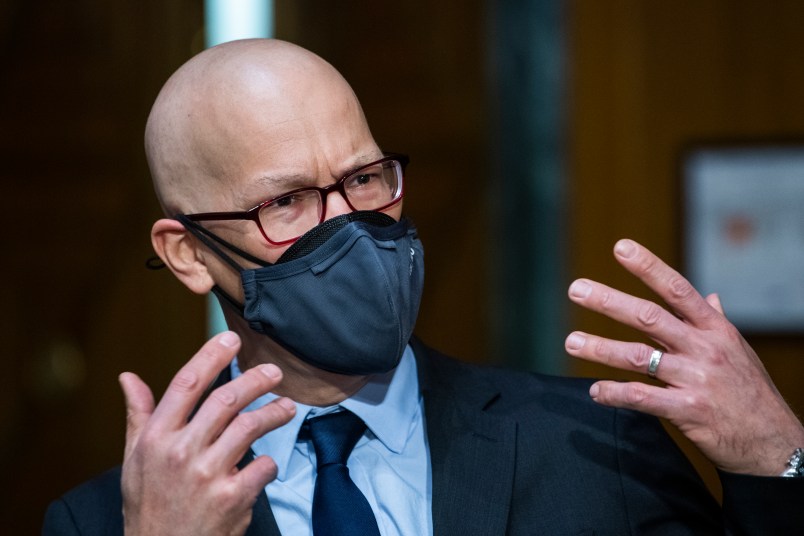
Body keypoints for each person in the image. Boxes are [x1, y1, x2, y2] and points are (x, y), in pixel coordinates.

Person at [43, 38, 804, 535]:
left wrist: (777, 457)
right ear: (187, 255)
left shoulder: (597, 447)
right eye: (287, 202)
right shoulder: (105, 521)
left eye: (366, 179)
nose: (350, 227)